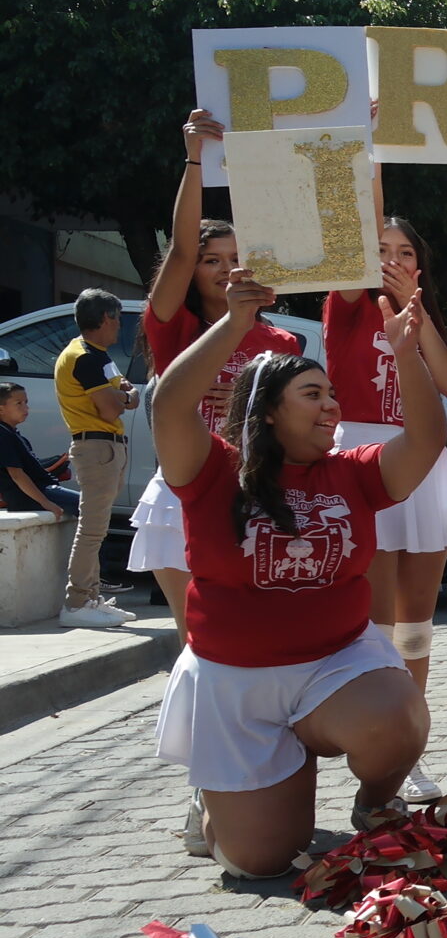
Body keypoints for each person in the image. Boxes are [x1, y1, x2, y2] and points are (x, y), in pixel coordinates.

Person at [152, 268, 443, 876]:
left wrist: (405, 352)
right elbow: (171, 403)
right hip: (235, 678)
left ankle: (374, 805)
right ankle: (226, 796)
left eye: (332, 394)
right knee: (257, 863)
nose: (332, 406)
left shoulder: (353, 470)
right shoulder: (211, 470)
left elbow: (425, 439)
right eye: (313, 395)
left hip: (334, 662)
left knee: (398, 715)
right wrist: (236, 324)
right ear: (266, 414)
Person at [325, 214, 447, 800]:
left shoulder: (425, 315)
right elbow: (355, 224)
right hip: (366, 461)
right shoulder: (348, 305)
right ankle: (378, 749)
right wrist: (371, 151)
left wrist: (418, 312)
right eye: (380, 249)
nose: (392, 260)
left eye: (405, 251)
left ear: (421, 264)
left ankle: (410, 751)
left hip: (423, 463)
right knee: (378, 627)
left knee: (417, 632)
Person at [142, 118, 301, 626]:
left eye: (237, 258)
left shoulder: (282, 342)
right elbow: (182, 248)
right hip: (187, 490)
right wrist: (194, 157)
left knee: (258, 632)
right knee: (201, 639)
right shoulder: (174, 326)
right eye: (212, 260)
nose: (226, 268)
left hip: (259, 490)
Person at [53, 288, 135, 628]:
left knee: (97, 529)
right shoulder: (84, 356)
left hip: (106, 447)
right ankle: (76, 603)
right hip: (96, 447)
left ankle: (90, 598)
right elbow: (112, 405)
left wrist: (123, 395)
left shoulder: (97, 354)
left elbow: (122, 391)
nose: (119, 327)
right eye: (116, 319)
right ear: (105, 318)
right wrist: (125, 397)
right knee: (91, 529)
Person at [0, 384, 72, 517]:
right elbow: (17, 475)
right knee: (91, 506)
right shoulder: (3, 434)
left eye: (26, 402)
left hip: (45, 490)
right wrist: (45, 502)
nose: (26, 408)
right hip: (30, 497)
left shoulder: (14, 434)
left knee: (94, 504)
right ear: (1, 409)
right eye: (18, 403)